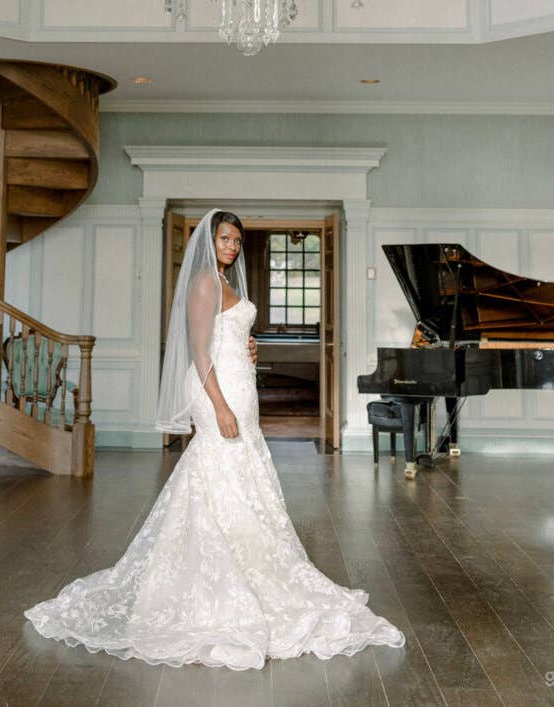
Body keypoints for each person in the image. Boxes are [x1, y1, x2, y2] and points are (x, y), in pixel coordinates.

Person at [24, 208, 405, 668]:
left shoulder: (227, 284)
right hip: (215, 388)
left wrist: (250, 346)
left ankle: (250, 557)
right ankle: (210, 573)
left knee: (241, 466)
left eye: (237, 241)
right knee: (216, 463)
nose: (232, 246)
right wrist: (221, 405)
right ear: (210, 239)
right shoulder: (204, 281)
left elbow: (227, 334)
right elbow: (199, 348)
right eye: (225, 238)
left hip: (239, 384)